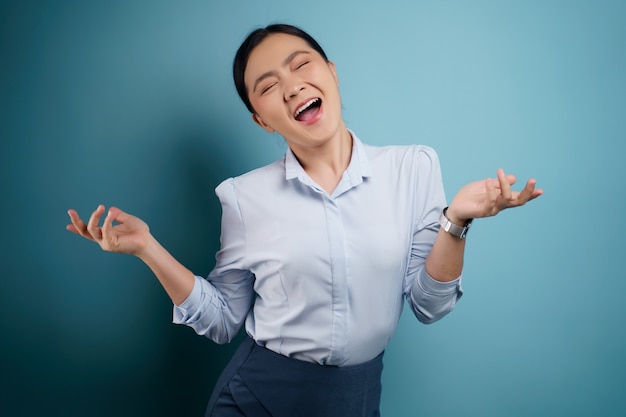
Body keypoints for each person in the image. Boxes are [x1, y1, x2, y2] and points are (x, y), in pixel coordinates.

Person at [66, 23, 543, 417]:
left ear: (332, 74)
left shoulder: (412, 168)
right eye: (269, 87)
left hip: (358, 400)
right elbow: (222, 320)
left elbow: (429, 305)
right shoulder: (243, 197)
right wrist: (148, 248)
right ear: (262, 120)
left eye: (301, 65)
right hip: (258, 400)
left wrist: (456, 221)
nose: (292, 85)